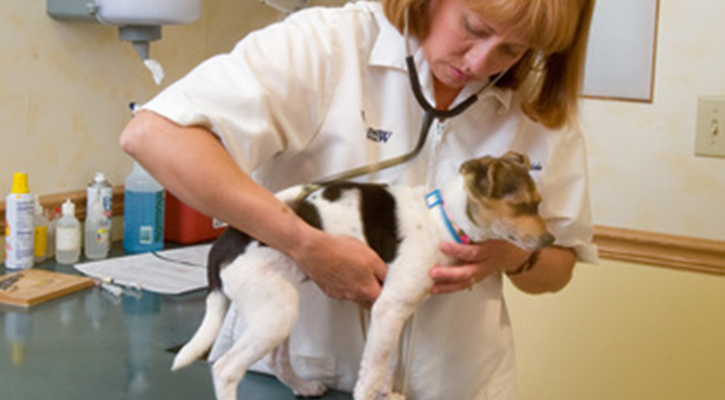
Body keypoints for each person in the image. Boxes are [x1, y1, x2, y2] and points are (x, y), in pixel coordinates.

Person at [120, 0, 598, 398]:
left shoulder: (538, 109)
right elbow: (153, 135)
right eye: (473, 27)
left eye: (513, 49)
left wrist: (508, 254)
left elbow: (559, 265)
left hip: (456, 383)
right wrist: (305, 244)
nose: (479, 64)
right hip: (299, 379)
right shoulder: (328, 44)